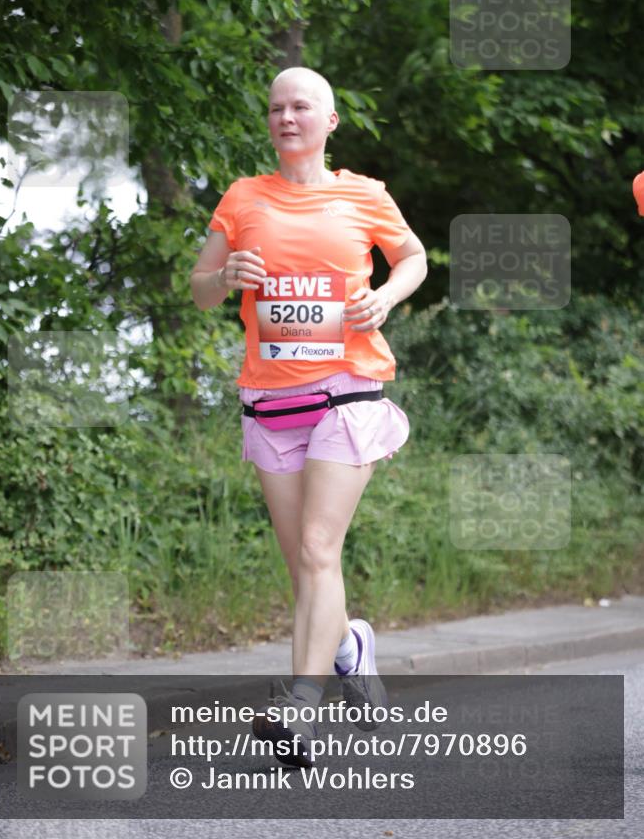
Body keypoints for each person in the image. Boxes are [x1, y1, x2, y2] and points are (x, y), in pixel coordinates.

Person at [190, 67, 427, 768]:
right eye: (274, 108)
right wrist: (224, 278)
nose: (285, 117)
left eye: (301, 107)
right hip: (270, 401)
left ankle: (301, 712)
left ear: (329, 122)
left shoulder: (363, 195)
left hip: (346, 391)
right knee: (304, 566)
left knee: (321, 550)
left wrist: (383, 299)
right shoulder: (242, 198)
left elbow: (412, 257)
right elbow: (201, 291)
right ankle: (351, 645)